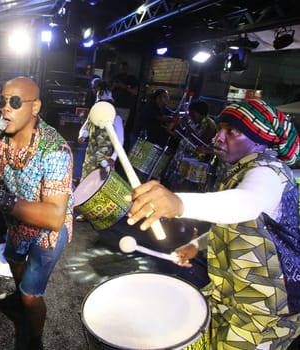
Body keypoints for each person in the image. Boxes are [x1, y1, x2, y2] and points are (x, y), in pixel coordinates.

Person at [126, 99, 300, 349]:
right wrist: (197, 245)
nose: (218, 138)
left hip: (265, 311)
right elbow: (239, 224)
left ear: (261, 139)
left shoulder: (270, 171)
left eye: (232, 131)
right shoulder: (239, 170)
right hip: (231, 297)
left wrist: (179, 203)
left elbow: (246, 203)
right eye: (220, 129)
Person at [0, 76, 73, 350]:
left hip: (47, 232)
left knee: (32, 295)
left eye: (15, 102)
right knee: (14, 260)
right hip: (16, 220)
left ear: (35, 107)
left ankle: (34, 339)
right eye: (3, 101)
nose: (5, 109)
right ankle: (18, 300)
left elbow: (54, 217)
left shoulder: (54, 149)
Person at [75, 84, 124, 221]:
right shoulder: (93, 114)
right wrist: (82, 135)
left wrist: (113, 158)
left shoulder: (116, 117)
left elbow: (120, 140)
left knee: (101, 185)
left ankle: (102, 214)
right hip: (90, 156)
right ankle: (86, 212)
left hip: (105, 158)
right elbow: (85, 127)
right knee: (85, 183)